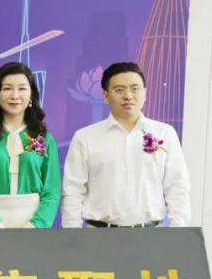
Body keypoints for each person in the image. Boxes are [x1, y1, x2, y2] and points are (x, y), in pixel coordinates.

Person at [62, 61, 190, 228]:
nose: (128, 96)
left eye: (135, 89)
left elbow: (177, 186)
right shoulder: (85, 137)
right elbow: (73, 191)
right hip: (98, 234)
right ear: (105, 96)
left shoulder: (165, 133)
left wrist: (178, 231)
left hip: (150, 234)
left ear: (145, 93)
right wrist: (72, 235)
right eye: (119, 90)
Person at [0, 62, 60, 228]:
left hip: (34, 226)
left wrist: (35, 226)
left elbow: (52, 192)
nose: (15, 95)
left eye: (22, 88)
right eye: (8, 88)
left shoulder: (44, 140)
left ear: (31, 95)